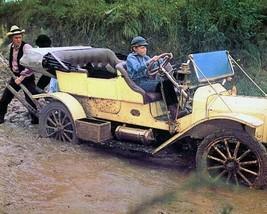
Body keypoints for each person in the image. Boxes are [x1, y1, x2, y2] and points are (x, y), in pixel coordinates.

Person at [126, 36, 179, 119]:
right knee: (163, 85)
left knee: (168, 82)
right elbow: (137, 68)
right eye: (142, 48)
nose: (144, 50)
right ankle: (173, 111)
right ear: (135, 48)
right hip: (138, 83)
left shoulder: (145, 57)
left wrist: (165, 58)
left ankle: (178, 107)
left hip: (147, 80)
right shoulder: (131, 58)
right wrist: (150, 61)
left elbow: (156, 64)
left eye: (145, 48)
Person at [0, 25, 39, 124]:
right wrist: (5, 63)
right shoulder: (11, 47)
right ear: (11, 38)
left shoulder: (27, 47)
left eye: (20, 37)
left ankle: (35, 120)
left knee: (30, 100)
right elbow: (13, 61)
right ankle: (0, 118)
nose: (18, 39)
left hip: (27, 77)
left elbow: (31, 65)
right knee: (5, 98)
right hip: (15, 77)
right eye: (16, 38)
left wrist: (21, 78)